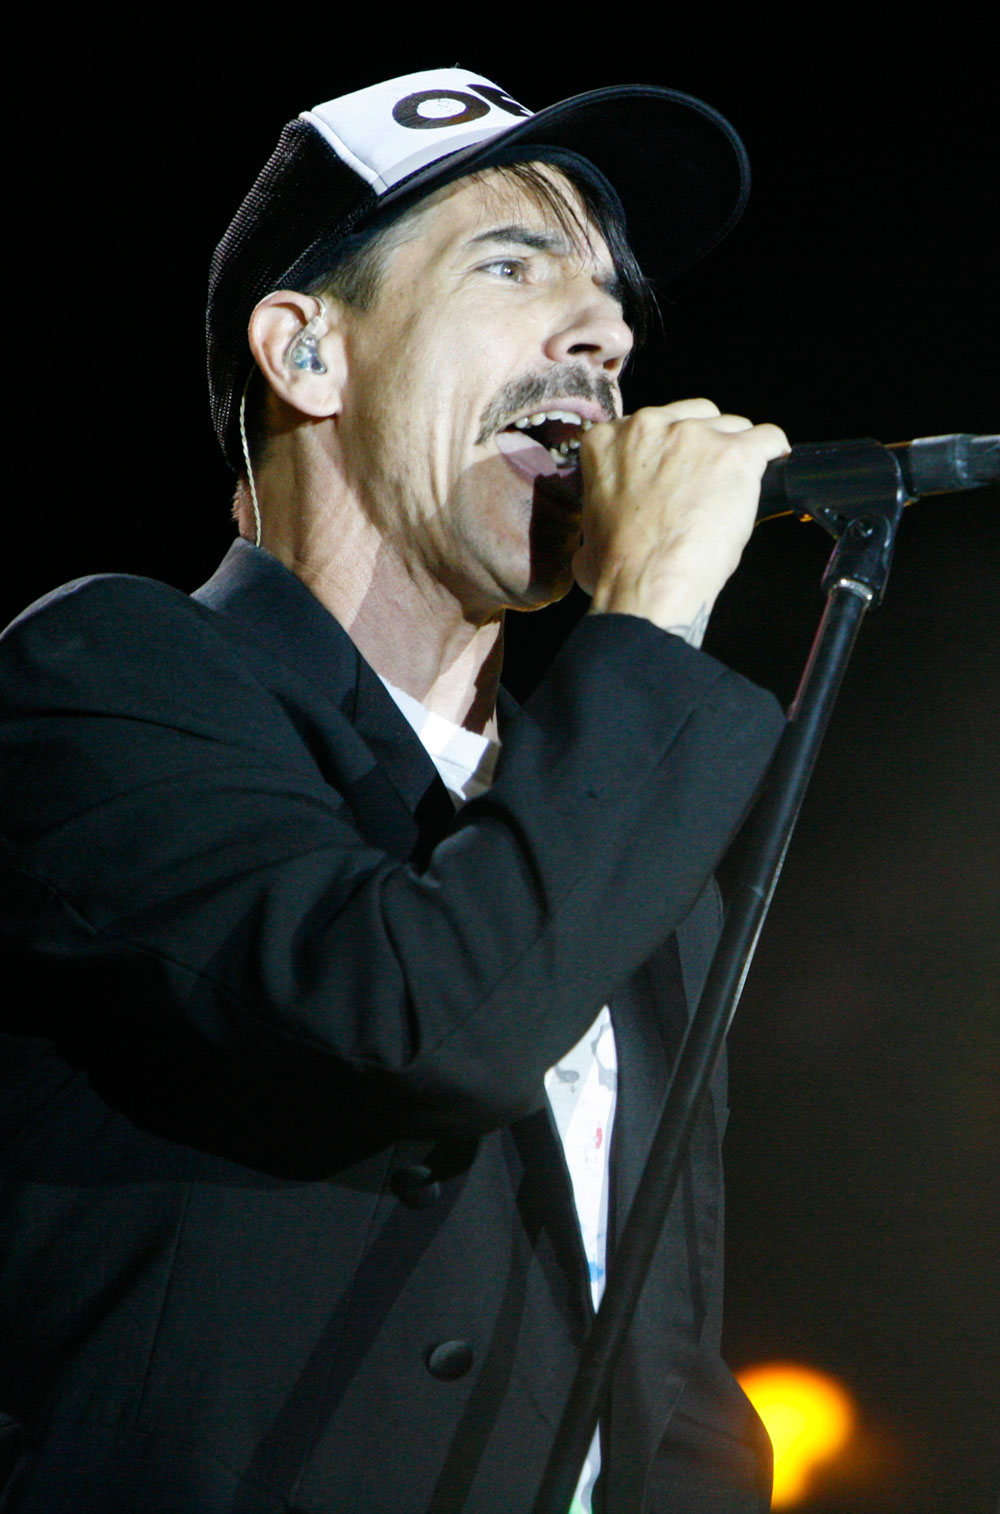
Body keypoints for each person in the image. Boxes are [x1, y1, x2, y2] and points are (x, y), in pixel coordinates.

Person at [0, 69, 789, 1513]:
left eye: (613, 297)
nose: (607, 332)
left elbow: (663, 1346)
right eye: (512, 266)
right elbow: (413, 1020)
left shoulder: (616, 800)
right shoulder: (104, 675)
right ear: (308, 354)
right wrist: (653, 617)